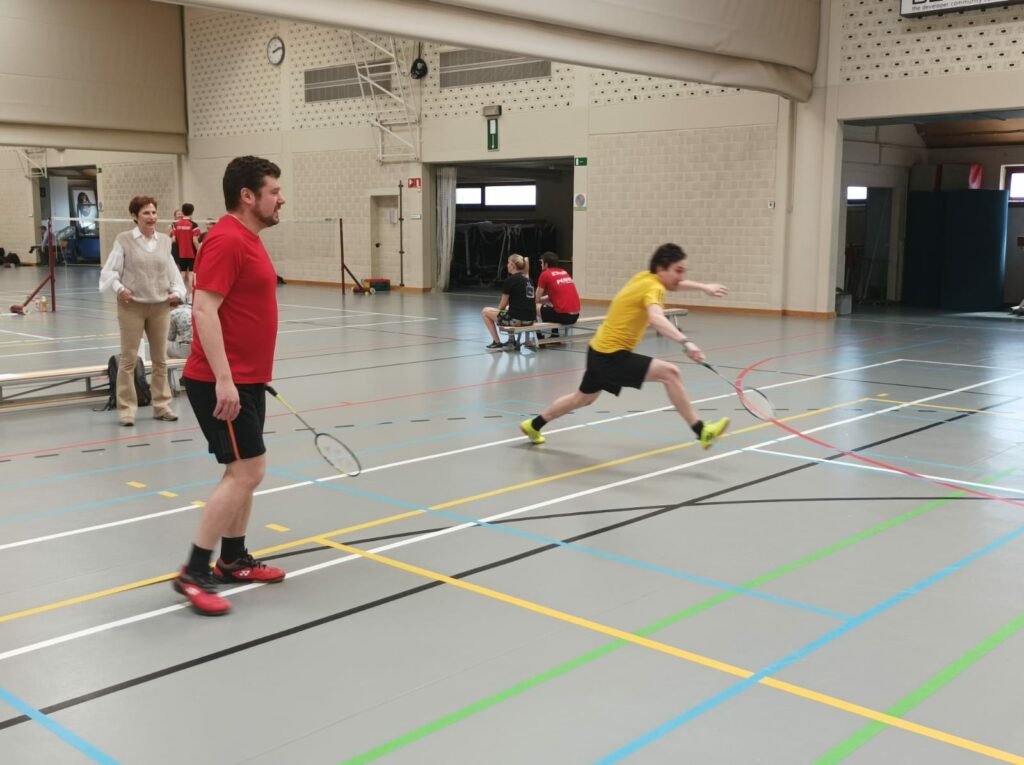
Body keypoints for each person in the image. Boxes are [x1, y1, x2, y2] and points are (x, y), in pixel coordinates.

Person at [174, 155, 285, 616]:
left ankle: (234, 559)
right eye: (274, 191)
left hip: (247, 378)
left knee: (246, 471)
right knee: (246, 472)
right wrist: (224, 378)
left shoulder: (249, 239)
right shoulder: (225, 239)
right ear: (248, 195)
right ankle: (194, 572)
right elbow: (203, 309)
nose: (281, 199)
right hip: (223, 381)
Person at [519, 243, 731, 450]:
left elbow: (676, 284)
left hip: (598, 350)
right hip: (611, 355)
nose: (681, 277)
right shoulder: (653, 287)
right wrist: (686, 342)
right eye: (678, 270)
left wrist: (704, 287)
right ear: (661, 269)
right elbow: (656, 318)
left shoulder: (645, 277)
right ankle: (702, 431)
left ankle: (533, 425)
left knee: (581, 399)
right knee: (670, 373)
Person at [98, 196, 185, 426]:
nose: (151, 217)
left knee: (160, 361)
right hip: (132, 308)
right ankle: (126, 410)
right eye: (146, 213)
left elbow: (173, 272)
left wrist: (177, 291)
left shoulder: (166, 241)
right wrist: (119, 289)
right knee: (128, 360)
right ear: (135, 217)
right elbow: (109, 272)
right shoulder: (123, 240)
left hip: (160, 307)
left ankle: (162, 406)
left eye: (154, 212)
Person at [481, 253, 534, 351]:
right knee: (508, 309)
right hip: (530, 320)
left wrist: (497, 315)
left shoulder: (510, 281)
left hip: (517, 321)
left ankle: (497, 342)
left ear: (513, 265)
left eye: (508, 263)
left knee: (485, 311)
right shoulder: (529, 280)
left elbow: (502, 305)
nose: (507, 265)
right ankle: (511, 340)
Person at [534, 251, 580, 341]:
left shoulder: (545, 274)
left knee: (532, 307)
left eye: (541, 262)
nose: (541, 264)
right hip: (575, 315)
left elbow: (536, 299)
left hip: (564, 317)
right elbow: (551, 297)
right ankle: (555, 334)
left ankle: (539, 337)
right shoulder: (563, 272)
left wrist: (533, 301)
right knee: (550, 304)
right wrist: (542, 301)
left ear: (546, 264)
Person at [170, 202, 202, 300]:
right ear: (192, 212)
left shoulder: (176, 224)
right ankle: (191, 295)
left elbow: (173, 239)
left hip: (180, 252)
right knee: (191, 273)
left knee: (182, 273)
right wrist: (200, 250)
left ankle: (182, 294)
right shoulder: (194, 225)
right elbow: (195, 241)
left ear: (183, 211)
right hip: (191, 253)